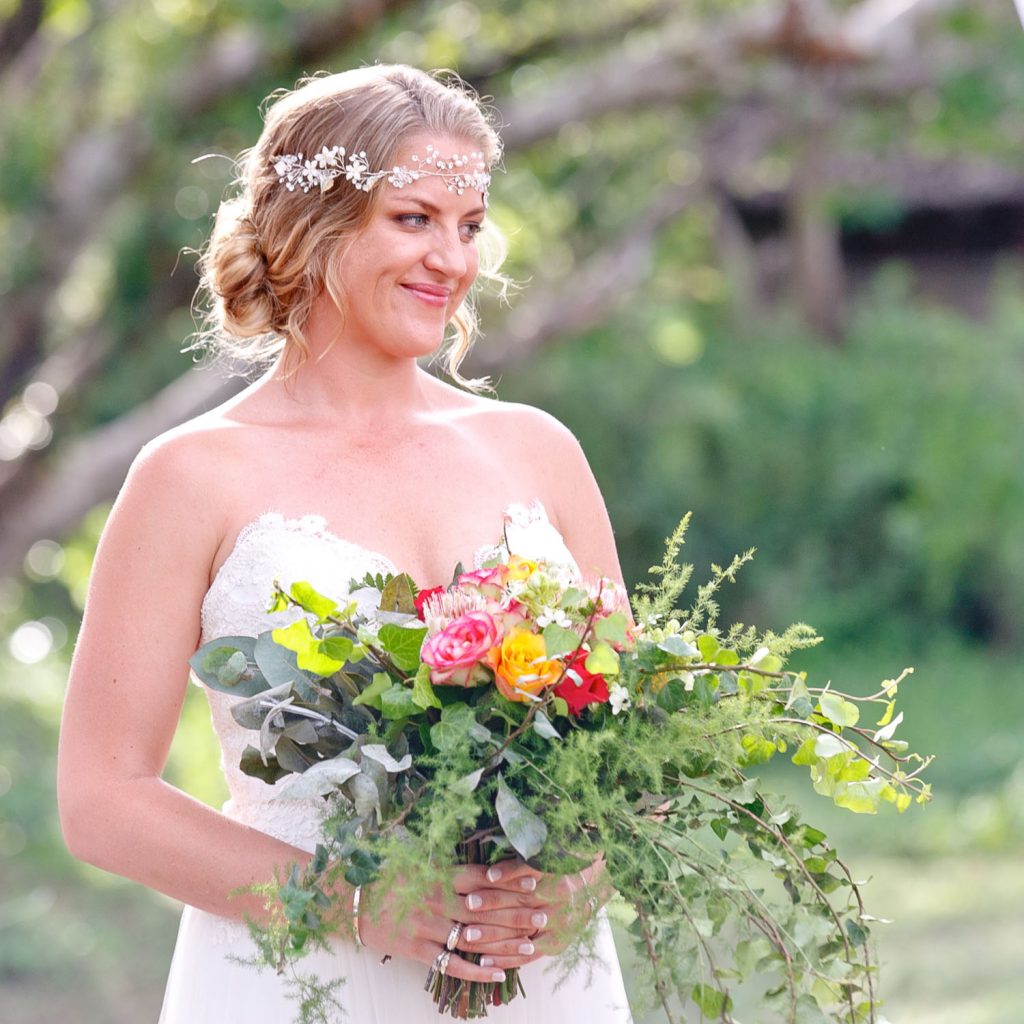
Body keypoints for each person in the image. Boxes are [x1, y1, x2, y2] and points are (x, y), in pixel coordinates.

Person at [57, 64, 633, 1022]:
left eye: (469, 225)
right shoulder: (191, 475)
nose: (451, 259)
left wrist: (567, 885)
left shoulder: (539, 451)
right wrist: (366, 905)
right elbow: (102, 800)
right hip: (301, 982)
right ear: (313, 225)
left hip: (536, 983)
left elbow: (628, 745)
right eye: (413, 219)